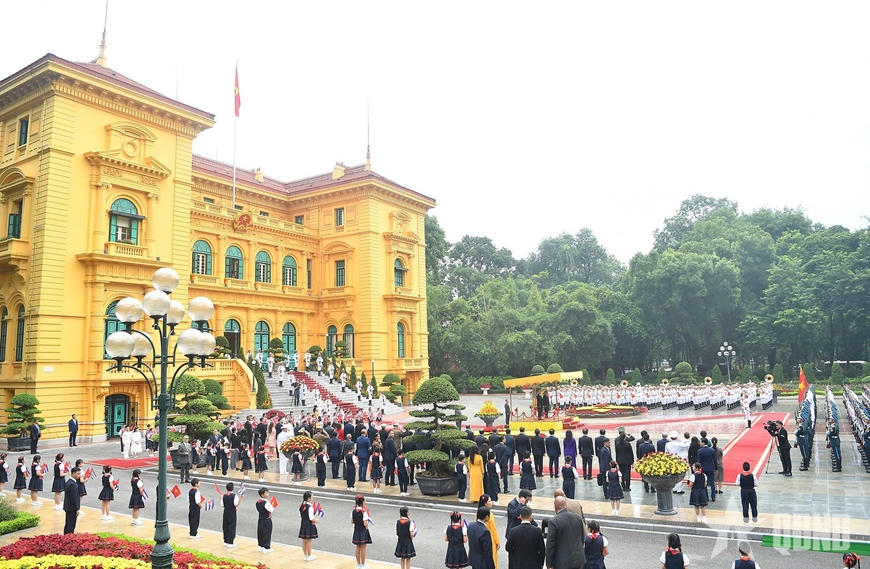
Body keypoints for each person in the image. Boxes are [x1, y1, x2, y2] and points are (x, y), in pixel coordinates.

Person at [544, 495, 585, 569]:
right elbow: (582, 539)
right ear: (565, 505)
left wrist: (549, 564)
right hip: (578, 560)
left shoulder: (553, 521)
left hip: (562, 562)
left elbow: (550, 545)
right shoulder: (578, 518)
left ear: (555, 506)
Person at [478, 495, 500, 569]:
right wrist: (497, 542)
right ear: (485, 503)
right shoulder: (490, 515)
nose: (491, 503)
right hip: (490, 539)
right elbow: (493, 530)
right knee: (493, 558)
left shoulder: (478, 513)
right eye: (489, 501)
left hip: (481, 539)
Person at [352, 494, 373, 569]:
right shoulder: (364, 512)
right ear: (363, 502)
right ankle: (363, 564)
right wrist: (367, 522)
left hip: (356, 530)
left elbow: (352, 521)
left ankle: (358, 564)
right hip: (363, 531)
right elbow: (365, 523)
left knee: (358, 547)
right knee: (363, 548)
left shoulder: (353, 510)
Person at [299, 490, 319, 562]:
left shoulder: (302, 505)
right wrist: (316, 520)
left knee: (304, 540)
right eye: (312, 496)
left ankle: (305, 555)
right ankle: (309, 556)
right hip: (309, 525)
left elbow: (300, 515)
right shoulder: (310, 507)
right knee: (309, 541)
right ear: (309, 498)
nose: (313, 497)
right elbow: (311, 518)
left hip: (303, 524)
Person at [256, 487, 275, 554]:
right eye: (266, 493)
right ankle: (266, 547)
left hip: (260, 519)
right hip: (267, 519)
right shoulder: (266, 503)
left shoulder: (258, 502)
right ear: (262, 495)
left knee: (260, 532)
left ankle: (260, 546)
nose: (268, 494)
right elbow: (272, 510)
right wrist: (273, 504)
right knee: (267, 533)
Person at [62, 467, 81, 534]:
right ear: (73, 474)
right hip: (71, 508)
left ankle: (65, 537)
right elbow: (74, 498)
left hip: (68, 507)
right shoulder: (72, 484)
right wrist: (77, 509)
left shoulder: (69, 482)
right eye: (78, 474)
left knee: (68, 524)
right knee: (71, 525)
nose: (79, 475)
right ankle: (69, 539)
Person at [222, 482, 240, 548]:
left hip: (226, 512)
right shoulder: (234, 496)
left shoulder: (224, 496)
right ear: (233, 488)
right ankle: (230, 542)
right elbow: (236, 504)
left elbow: (223, 505)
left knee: (225, 526)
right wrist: (241, 498)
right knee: (231, 526)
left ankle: (226, 540)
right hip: (232, 512)